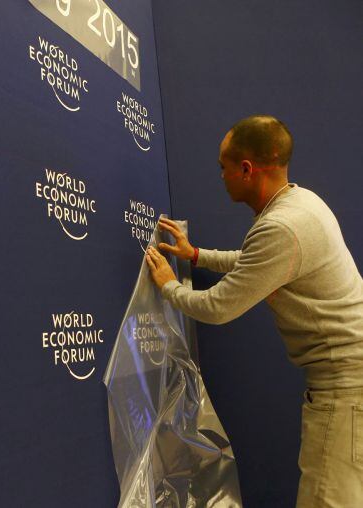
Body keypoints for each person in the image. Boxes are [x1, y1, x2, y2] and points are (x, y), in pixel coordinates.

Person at [144, 115, 363, 507]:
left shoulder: (282, 225)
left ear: (246, 169)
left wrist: (167, 286)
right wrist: (197, 256)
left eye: (223, 168)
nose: (221, 177)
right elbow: (257, 263)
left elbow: (219, 306)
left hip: (346, 391)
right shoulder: (300, 202)